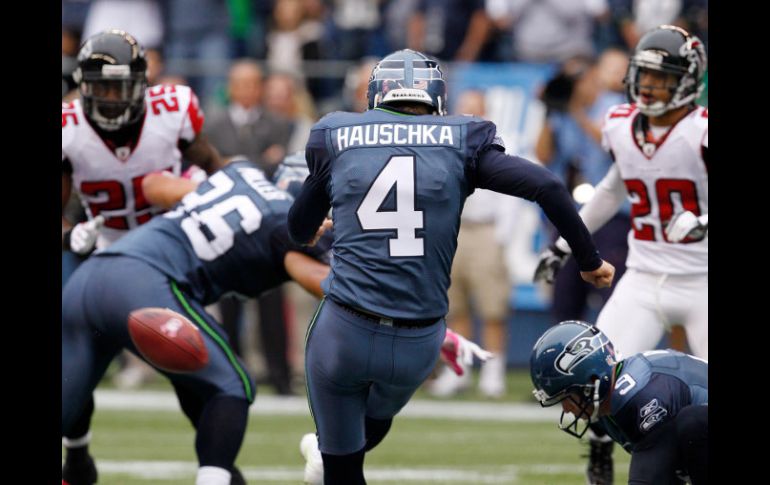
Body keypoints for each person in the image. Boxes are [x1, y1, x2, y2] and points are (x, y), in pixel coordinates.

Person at [287, 48, 615, 484]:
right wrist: (588, 261)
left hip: (344, 330)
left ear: (375, 95)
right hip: (419, 340)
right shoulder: (461, 139)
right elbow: (548, 185)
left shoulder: (338, 133)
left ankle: (332, 459)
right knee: (371, 421)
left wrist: (310, 229)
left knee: (341, 463)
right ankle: (330, 456)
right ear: (438, 96)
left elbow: (296, 228)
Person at [61, 158, 334, 485]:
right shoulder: (284, 223)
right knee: (232, 387)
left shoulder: (241, 172)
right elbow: (322, 282)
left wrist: (202, 191)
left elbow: (153, 186)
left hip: (89, 276)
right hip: (143, 286)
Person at [533, 25, 707, 485]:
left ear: (687, 81)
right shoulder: (622, 124)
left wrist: (704, 221)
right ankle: (601, 452)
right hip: (645, 275)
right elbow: (613, 188)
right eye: (644, 76)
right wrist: (565, 245)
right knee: (592, 376)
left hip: (703, 277)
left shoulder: (701, 132)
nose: (648, 86)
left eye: (661, 78)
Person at [60, 29, 223, 485]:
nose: (111, 99)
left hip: (168, 255)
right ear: (83, 85)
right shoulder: (69, 127)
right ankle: (76, 452)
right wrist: (73, 234)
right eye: (101, 87)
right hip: (106, 254)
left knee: (195, 371)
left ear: (142, 85)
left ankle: (219, 466)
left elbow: (215, 168)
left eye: (119, 86)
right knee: (71, 365)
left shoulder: (173, 112)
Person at [530, 320, 708, 485]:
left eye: (566, 398)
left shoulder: (638, 396)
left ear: (592, 381)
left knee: (693, 421)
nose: (566, 409)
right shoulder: (605, 403)